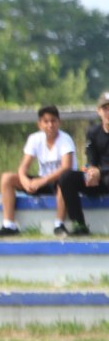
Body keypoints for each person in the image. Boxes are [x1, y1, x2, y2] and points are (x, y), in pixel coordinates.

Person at [0, 106, 75, 237]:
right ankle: (9, 225)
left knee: (63, 181)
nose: (50, 125)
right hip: (42, 180)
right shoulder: (34, 139)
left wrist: (42, 181)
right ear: (39, 124)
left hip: (59, 181)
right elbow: (23, 166)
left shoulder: (65, 139)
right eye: (46, 121)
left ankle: (59, 224)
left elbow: (66, 167)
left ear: (59, 122)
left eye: (53, 121)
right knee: (7, 178)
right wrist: (25, 181)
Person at [57, 91, 109, 237]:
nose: (108, 112)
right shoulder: (93, 132)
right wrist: (91, 171)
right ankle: (79, 225)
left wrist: (101, 171)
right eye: (105, 108)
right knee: (66, 177)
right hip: (100, 179)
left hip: (105, 175)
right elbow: (91, 158)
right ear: (99, 111)